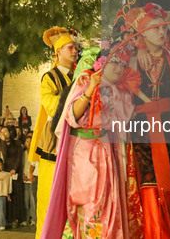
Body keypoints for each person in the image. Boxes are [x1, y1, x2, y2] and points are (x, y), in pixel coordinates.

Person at [45, 46, 137, 239]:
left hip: (105, 150)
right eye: (114, 63)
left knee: (108, 202)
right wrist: (91, 89)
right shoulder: (85, 81)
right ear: (101, 64)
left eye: (122, 64)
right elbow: (71, 115)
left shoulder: (118, 90)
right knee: (87, 200)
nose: (119, 69)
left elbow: (125, 119)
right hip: (83, 152)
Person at [123, 4, 170, 237]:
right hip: (142, 128)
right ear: (142, 34)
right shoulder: (131, 60)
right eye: (154, 29)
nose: (161, 33)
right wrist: (138, 49)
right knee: (150, 182)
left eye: (163, 28)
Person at [29, 26, 78, 238]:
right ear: (58, 51)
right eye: (70, 48)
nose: (75, 51)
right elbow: (51, 106)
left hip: (75, 143)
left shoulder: (80, 75)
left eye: (76, 48)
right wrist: (78, 98)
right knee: (49, 199)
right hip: (53, 146)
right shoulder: (50, 77)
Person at [0, 126, 24, 228]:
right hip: (6, 172)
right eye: (2, 132)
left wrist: (15, 169)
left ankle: (15, 218)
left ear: (10, 132)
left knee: (16, 195)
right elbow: (5, 154)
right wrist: (3, 141)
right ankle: (6, 218)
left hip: (15, 172)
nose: (4, 133)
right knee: (7, 195)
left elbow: (19, 157)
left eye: (6, 131)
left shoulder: (17, 143)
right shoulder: (1, 144)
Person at [22, 135, 36, 226]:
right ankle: (25, 218)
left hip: (32, 178)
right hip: (24, 178)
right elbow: (22, 165)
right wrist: (23, 175)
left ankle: (33, 219)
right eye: (27, 141)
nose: (29, 143)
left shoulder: (35, 153)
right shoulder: (23, 153)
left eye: (31, 141)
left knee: (33, 200)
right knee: (25, 200)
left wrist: (32, 175)